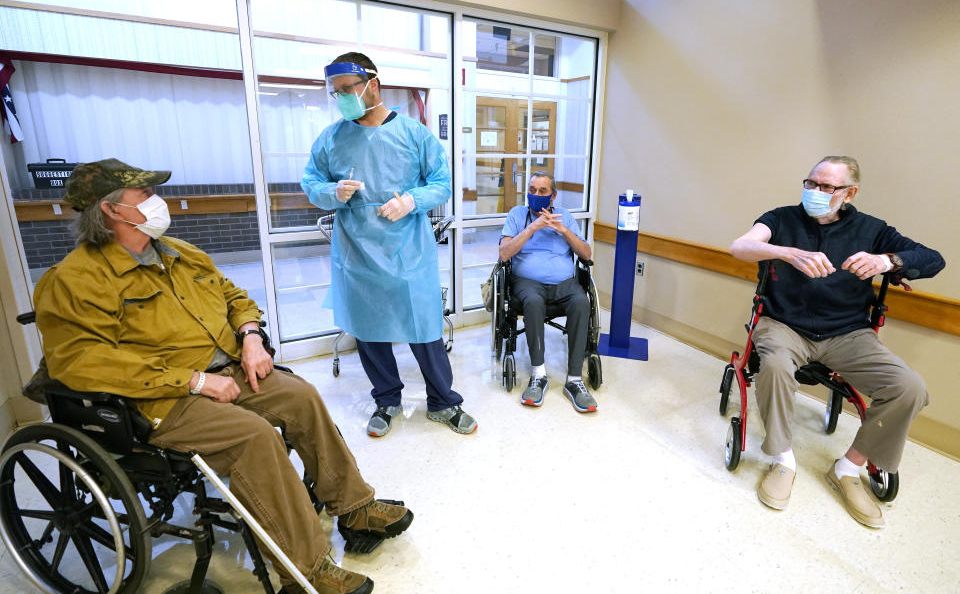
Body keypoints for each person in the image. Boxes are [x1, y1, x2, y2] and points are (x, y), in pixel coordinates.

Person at [34, 159, 413, 594]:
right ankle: (306, 572)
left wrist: (251, 336)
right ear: (113, 211)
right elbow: (80, 361)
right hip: (160, 398)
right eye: (145, 196)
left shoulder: (177, 251)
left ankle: (354, 507)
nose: (159, 202)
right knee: (253, 437)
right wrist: (193, 381)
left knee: (301, 396)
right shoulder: (75, 280)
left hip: (228, 369)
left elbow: (233, 296)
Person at [730, 155, 945, 528]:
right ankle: (782, 460)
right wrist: (786, 252)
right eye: (810, 183)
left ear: (849, 193)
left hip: (848, 332)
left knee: (909, 387)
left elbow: (932, 259)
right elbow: (740, 247)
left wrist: (888, 261)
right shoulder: (781, 219)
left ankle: (847, 468)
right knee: (776, 365)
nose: (814, 191)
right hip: (784, 324)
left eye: (826, 187)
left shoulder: (872, 229)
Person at [301, 52, 477, 438]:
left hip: (407, 252)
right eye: (337, 92)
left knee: (425, 327)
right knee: (369, 331)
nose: (343, 97)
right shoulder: (332, 138)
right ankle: (386, 400)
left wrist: (410, 201)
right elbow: (310, 183)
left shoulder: (414, 135)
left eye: (348, 89)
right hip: (357, 252)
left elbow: (442, 184)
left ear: (372, 85)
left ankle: (444, 402)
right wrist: (333, 190)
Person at [498, 171, 595, 412]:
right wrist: (532, 228)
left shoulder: (566, 217)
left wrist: (564, 230)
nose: (536, 195)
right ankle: (538, 375)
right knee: (532, 301)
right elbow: (504, 253)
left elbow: (586, 254)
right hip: (527, 283)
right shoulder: (517, 215)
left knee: (581, 301)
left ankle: (574, 380)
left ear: (553, 196)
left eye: (542, 191)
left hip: (564, 284)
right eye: (532, 191)